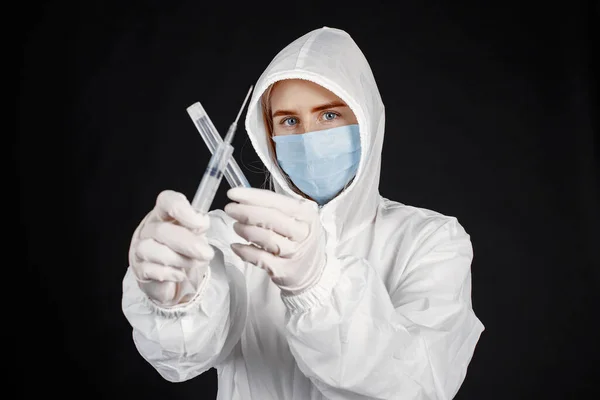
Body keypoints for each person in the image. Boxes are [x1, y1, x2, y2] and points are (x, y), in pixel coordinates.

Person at [122, 26, 484, 399]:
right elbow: (182, 357)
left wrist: (316, 285)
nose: (309, 138)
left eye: (329, 116)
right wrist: (175, 300)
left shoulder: (431, 241)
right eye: (289, 121)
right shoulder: (228, 236)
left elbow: (419, 386)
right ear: (268, 133)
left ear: (367, 122)